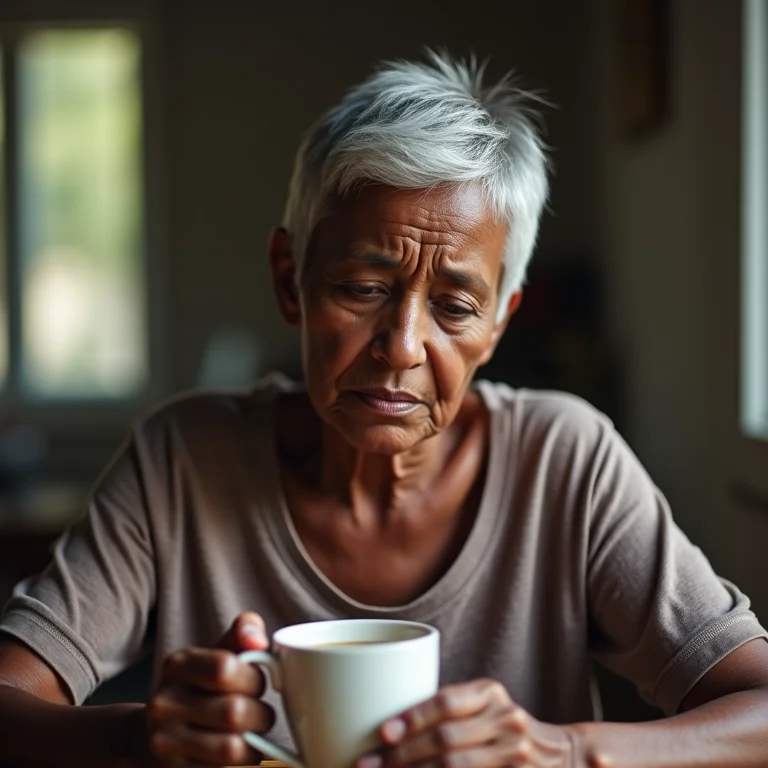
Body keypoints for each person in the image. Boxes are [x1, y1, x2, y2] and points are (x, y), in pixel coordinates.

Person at [1, 51, 767, 768]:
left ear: (500, 321)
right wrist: (141, 735)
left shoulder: (565, 462)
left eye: (456, 306)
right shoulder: (183, 459)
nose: (401, 347)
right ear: (289, 280)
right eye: (363, 289)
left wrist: (563, 752)